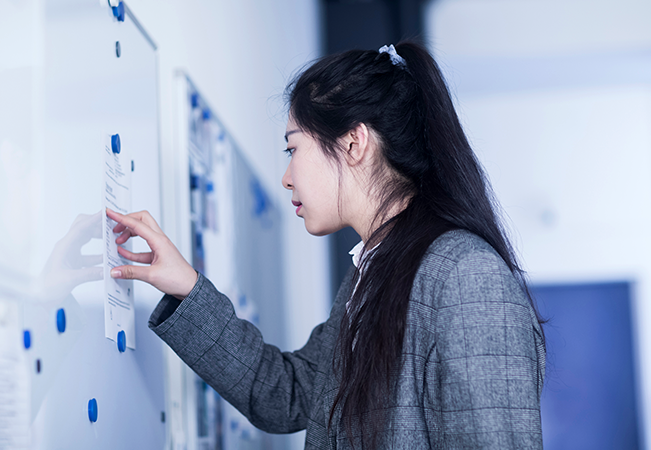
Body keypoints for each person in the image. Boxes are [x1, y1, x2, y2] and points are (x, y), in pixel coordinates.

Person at [106, 41, 546, 449]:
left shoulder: (466, 276)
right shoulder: (373, 273)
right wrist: (186, 287)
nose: (287, 177)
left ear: (354, 143)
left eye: (292, 149)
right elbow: (285, 396)